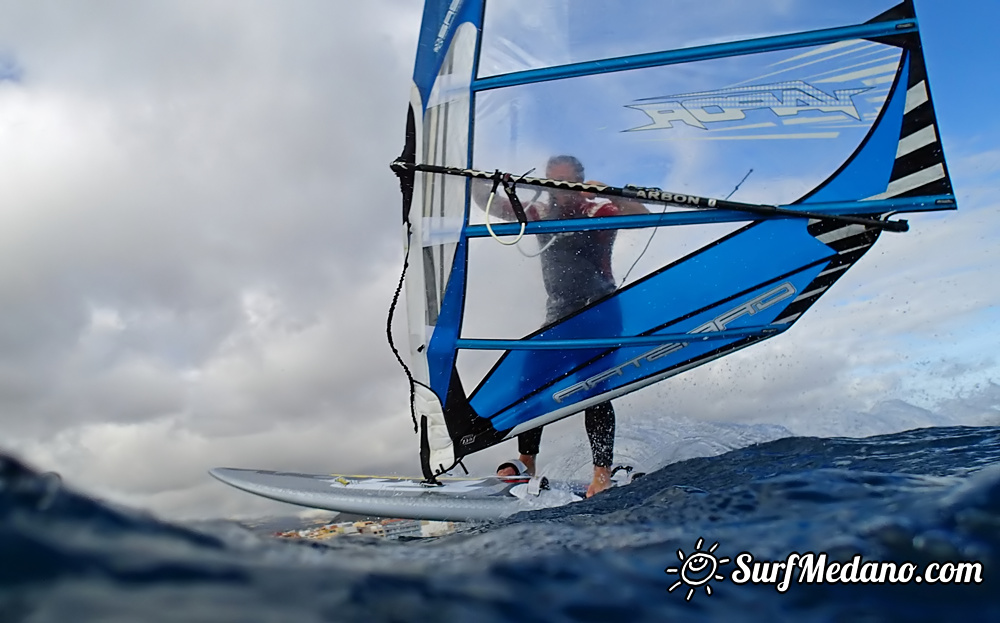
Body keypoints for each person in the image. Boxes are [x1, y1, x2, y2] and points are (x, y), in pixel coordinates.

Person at [477, 155, 648, 496]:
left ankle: (601, 473)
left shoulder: (596, 210)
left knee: (593, 388)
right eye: (552, 184)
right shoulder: (541, 212)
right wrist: (480, 181)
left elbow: (641, 218)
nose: (560, 193)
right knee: (529, 381)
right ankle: (527, 463)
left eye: (568, 184)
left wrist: (609, 192)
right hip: (559, 313)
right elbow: (490, 204)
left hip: (600, 312)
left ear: (581, 181)